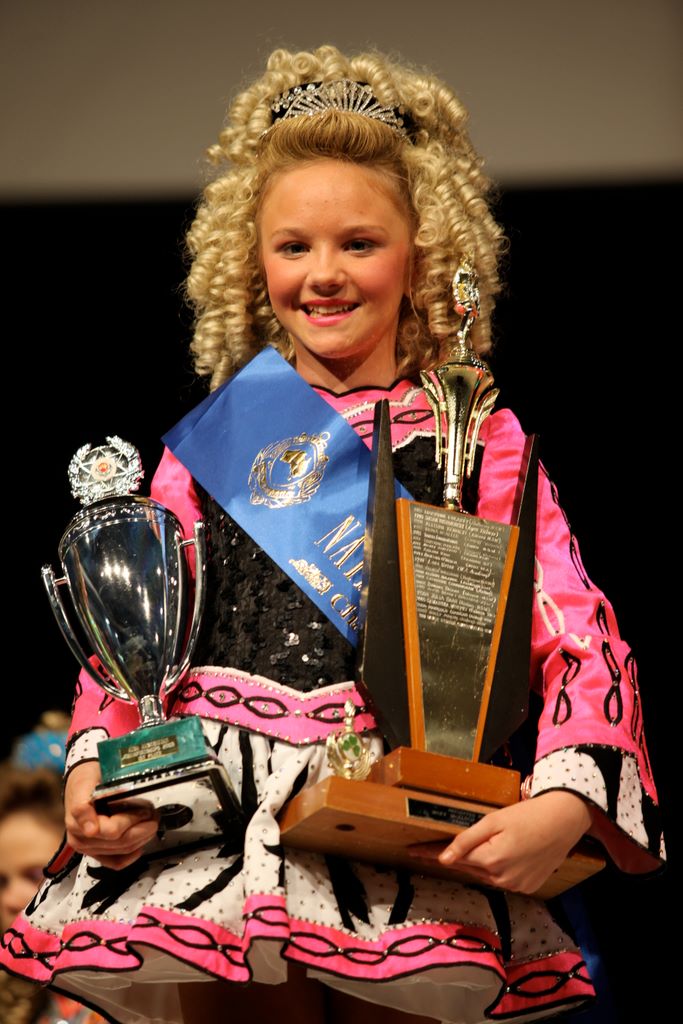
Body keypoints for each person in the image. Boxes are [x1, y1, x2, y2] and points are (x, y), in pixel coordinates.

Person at [0, 45, 664, 1024]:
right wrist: (99, 765)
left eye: (358, 243)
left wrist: (565, 802)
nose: (322, 274)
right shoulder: (217, 442)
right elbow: (133, 644)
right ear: (250, 259)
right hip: (218, 832)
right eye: (292, 246)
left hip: (395, 824)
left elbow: (578, 638)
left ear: (423, 255)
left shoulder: (474, 440)